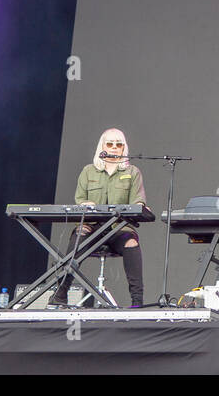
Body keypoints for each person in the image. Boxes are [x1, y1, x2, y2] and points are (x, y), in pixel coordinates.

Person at [49, 128, 147, 308]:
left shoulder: (133, 172)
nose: (115, 147)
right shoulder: (88, 171)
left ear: (124, 148)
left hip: (119, 229)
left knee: (132, 242)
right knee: (79, 234)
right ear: (102, 146)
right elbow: (79, 199)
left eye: (119, 144)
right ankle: (61, 294)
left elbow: (138, 202)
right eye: (110, 144)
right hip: (92, 227)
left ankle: (137, 302)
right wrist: (85, 204)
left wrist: (139, 206)